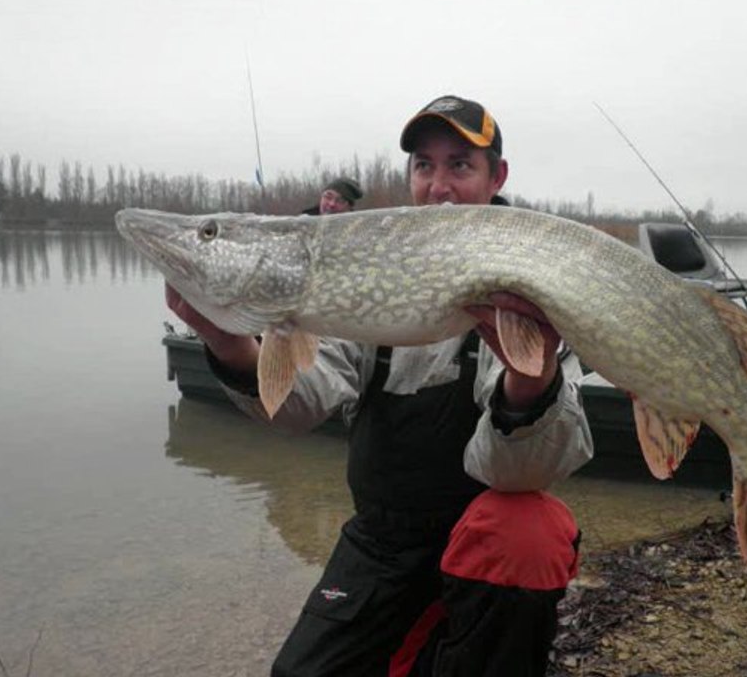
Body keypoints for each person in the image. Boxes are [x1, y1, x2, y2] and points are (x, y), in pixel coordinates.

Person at [165, 95, 594, 676]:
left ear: (498, 177)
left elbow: (525, 474)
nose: (438, 185)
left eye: (460, 166)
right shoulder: (370, 279)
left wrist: (530, 378)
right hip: (383, 543)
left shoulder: (533, 284)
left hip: (484, 545)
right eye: (423, 165)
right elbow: (298, 409)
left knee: (531, 530)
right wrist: (227, 342)